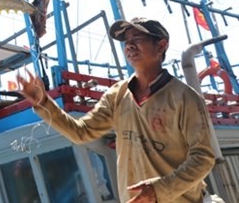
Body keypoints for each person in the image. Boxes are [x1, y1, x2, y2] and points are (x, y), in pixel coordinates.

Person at [17, 17, 216, 203]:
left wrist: (160, 189)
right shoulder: (117, 95)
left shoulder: (185, 98)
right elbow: (81, 132)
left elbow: (203, 158)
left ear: (161, 45)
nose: (129, 45)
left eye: (137, 38)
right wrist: (43, 102)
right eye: (126, 41)